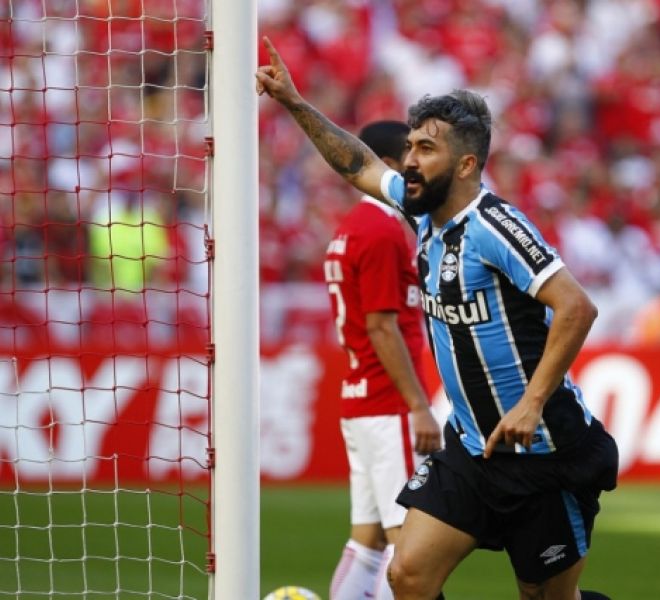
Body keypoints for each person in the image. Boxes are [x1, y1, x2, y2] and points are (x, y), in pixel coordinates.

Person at [256, 36, 618, 600]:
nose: (409, 161)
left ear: (467, 164)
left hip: (544, 453)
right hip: (472, 449)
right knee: (407, 574)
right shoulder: (421, 211)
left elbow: (577, 306)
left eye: (426, 149)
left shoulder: (496, 227)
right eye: (409, 147)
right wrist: (295, 103)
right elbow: (359, 163)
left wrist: (531, 403)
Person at [325, 120, 442, 600]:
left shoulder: (350, 228)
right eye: (410, 161)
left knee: (367, 543)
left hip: (360, 399)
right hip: (388, 402)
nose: (417, 171)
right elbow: (381, 325)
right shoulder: (381, 230)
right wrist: (418, 405)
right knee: (406, 548)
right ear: (386, 166)